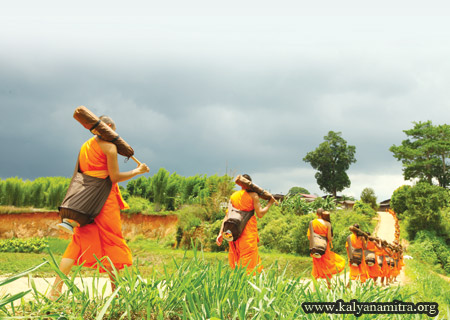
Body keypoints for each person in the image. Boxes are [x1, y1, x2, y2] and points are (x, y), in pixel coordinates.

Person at [48, 115, 149, 299]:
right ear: (108, 127)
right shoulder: (109, 147)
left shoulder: (85, 146)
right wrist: (137, 171)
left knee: (77, 241)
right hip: (104, 199)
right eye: (114, 129)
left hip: (85, 201)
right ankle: (116, 293)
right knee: (112, 240)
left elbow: (81, 174)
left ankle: (55, 290)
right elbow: (115, 177)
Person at [216, 174, 275, 274]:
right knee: (249, 263)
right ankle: (246, 285)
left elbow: (227, 217)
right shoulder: (254, 196)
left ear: (241, 184)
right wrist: (270, 203)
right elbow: (260, 214)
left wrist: (220, 233)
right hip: (247, 236)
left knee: (236, 258)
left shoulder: (233, 196)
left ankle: (237, 284)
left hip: (233, 233)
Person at [307, 209, 345, 289]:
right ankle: (329, 286)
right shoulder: (327, 223)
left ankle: (314, 288)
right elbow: (329, 238)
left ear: (317, 214)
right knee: (327, 266)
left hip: (315, 247)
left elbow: (309, 236)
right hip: (324, 248)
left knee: (316, 266)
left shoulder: (312, 222)